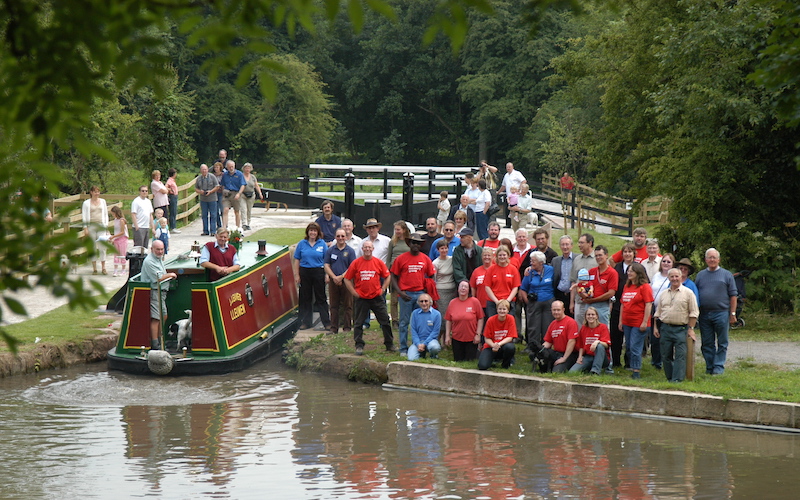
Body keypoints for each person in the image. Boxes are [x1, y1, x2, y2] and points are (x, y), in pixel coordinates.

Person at [344, 240, 395, 355]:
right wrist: (353, 292)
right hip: (361, 297)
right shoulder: (356, 263)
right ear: (362, 249)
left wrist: (383, 289)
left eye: (369, 247)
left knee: (385, 321)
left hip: (376, 297)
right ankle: (359, 345)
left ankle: (389, 344)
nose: (367, 249)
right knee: (358, 323)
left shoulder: (378, 262)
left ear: (373, 249)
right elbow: (347, 278)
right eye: (365, 247)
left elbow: (387, 276)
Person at [695, 248, 737, 375]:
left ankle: (718, 367)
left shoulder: (726, 274)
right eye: (709, 257)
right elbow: (695, 294)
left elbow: (733, 295)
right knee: (707, 343)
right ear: (705, 260)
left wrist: (733, 313)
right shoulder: (700, 275)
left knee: (722, 342)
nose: (712, 260)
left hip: (721, 312)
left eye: (714, 257)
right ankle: (710, 366)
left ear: (719, 259)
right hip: (704, 313)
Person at [391, 233, 435, 355]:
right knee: (404, 323)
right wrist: (399, 291)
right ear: (409, 244)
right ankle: (403, 348)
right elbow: (393, 275)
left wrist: (427, 292)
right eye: (413, 242)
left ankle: (420, 347)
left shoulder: (425, 259)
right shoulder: (401, 258)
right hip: (405, 295)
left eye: (418, 243)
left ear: (421, 245)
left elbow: (431, 275)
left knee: (421, 323)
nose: (415, 245)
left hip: (420, 294)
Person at [653, 268, 699, 382]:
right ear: (668, 278)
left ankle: (677, 379)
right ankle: (670, 377)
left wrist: (691, 329)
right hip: (665, 328)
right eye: (672, 277)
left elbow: (694, 312)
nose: (674, 279)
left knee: (680, 355)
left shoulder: (688, 293)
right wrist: (655, 327)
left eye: (676, 276)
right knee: (665, 355)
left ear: (681, 277)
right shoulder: (663, 294)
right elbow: (658, 313)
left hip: (681, 328)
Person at [140, 239, 177, 350]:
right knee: (156, 318)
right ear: (152, 249)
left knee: (164, 316)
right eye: (158, 249)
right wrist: (171, 274)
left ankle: (161, 339)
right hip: (155, 292)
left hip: (161, 293)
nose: (160, 252)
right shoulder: (149, 261)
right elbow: (159, 277)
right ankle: (156, 344)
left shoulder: (158, 259)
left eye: (162, 249)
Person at [293, 222, 331, 331]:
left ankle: (326, 322)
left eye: (315, 231)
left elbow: (327, 261)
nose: (312, 233)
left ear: (318, 232)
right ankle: (306, 322)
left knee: (321, 298)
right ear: (308, 232)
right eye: (311, 230)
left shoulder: (322, 244)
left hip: (318, 271)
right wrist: (297, 275)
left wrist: (327, 274)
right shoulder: (302, 244)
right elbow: (297, 260)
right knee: (306, 298)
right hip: (305, 271)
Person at [619, 263, 654, 379]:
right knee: (628, 346)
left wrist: (645, 322)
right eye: (628, 271)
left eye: (631, 271)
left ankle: (636, 371)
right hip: (627, 322)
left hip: (639, 322)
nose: (628, 273)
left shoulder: (645, 287)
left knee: (635, 347)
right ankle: (631, 366)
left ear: (638, 273)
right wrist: (620, 321)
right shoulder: (627, 286)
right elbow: (623, 305)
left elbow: (648, 304)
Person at [519, 251, 555, 346]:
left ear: (541, 262)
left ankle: (545, 348)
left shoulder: (550, 270)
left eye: (533, 261)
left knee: (547, 326)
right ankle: (533, 349)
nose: (531, 262)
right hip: (534, 302)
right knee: (533, 327)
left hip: (548, 301)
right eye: (531, 260)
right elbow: (523, 289)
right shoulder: (529, 272)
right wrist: (528, 302)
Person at [324, 228, 356, 335]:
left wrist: (341, 277)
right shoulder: (330, 250)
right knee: (333, 305)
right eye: (338, 236)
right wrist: (334, 277)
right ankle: (334, 328)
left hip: (347, 281)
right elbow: (326, 265)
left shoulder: (350, 251)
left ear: (346, 237)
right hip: (333, 281)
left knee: (348, 305)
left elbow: (352, 267)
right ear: (335, 237)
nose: (340, 238)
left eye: (342, 236)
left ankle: (347, 327)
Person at [648, 253, 676, 370]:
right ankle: (656, 361)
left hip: (667, 309)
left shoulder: (674, 277)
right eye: (664, 261)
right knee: (654, 337)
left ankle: (667, 361)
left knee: (666, 338)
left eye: (668, 262)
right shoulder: (656, 276)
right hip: (655, 308)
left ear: (673, 264)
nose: (666, 263)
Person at [579, 245, 618, 328]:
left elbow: (611, 293)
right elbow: (582, 285)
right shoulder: (591, 271)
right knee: (588, 330)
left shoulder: (612, 273)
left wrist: (594, 300)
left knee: (602, 330)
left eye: (600, 255)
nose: (598, 258)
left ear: (606, 255)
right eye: (596, 256)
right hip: (588, 305)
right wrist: (582, 294)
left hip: (602, 306)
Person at [445, 280, 484, 362]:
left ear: (469, 289)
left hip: (471, 338)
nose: (463, 288)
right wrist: (447, 335)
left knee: (470, 361)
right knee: (458, 361)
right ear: (458, 289)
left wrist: (478, 334)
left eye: (465, 287)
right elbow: (448, 320)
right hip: (457, 338)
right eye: (461, 286)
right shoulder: (452, 302)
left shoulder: (475, 301)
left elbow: (480, 318)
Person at [612, 243, 636, 368]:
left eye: (630, 251)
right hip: (617, 306)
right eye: (625, 252)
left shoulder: (638, 267)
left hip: (632, 306)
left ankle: (629, 362)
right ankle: (616, 361)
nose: (627, 254)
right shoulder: (617, 267)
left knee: (630, 338)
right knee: (616, 336)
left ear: (633, 253)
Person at [537, 300, 579, 373]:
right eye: (554, 310)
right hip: (557, 352)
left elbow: (572, 341)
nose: (556, 312)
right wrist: (539, 349)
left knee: (556, 372)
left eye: (558, 310)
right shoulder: (552, 324)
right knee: (542, 354)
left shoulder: (570, 322)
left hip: (570, 354)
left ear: (563, 310)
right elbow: (548, 342)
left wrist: (564, 358)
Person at [569, 306, 611, 375]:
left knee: (600, 346)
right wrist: (580, 357)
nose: (590, 316)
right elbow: (581, 345)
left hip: (602, 357)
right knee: (572, 372)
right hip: (588, 356)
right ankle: (589, 368)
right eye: (588, 315)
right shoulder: (583, 328)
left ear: (597, 316)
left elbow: (606, 344)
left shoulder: (603, 327)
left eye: (593, 314)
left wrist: (597, 342)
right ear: (585, 317)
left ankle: (595, 371)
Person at [477, 299, 517, 370]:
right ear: (496, 310)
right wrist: (493, 345)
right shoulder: (491, 320)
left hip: (503, 345)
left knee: (510, 347)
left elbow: (510, 337)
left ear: (508, 310)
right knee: (482, 366)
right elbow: (486, 338)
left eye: (504, 309)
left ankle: (505, 364)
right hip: (490, 346)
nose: (502, 311)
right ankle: (491, 360)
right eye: (500, 309)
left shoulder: (511, 318)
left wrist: (499, 344)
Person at [484, 245, 520, 318]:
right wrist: (497, 302)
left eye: (504, 255)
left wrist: (507, 301)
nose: (502, 257)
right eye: (500, 255)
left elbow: (515, 287)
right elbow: (487, 287)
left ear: (508, 256)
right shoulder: (491, 269)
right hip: (493, 303)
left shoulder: (513, 269)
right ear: (496, 256)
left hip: (509, 302)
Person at [387, 220, 412, 329]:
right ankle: (395, 320)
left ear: (404, 230)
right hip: (394, 272)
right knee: (394, 298)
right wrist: (388, 272)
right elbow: (388, 258)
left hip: (405, 272)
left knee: (404, 296)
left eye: (398, 229)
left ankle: (405, 319)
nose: (396, 231)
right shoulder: (393, 242)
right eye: (395, 229)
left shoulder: (409, 241)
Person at [570, 233, 597, 325]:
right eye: (579, 242)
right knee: (579, 328)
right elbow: (573, 281)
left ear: (589, 243)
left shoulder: (597, 258)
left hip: (594, 301)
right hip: (579, 301)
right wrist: (572, 302)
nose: (579, 245)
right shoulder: (577, 259)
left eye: (582, 242)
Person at [81, 185, 109, 275]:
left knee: (102, 246)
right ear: (91, 192)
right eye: (95, 192)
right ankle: (94, 268)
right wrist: (85, 228)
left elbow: (105, 214)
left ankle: (103, 267)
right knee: (92, 246)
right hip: (91, 226)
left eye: (98, 192)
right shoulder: (86, 203)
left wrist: (106, 226)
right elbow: (84, 216)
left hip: (101, 225)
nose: (97, 193)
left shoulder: (103, 201)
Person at [408, 293, 442, 361]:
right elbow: (413, 331)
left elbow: (435, 332)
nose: (424, 303)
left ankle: (433, 356)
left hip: (431, 341)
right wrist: (418, 344)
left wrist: (424, 344)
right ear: (418, 303)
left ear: (430, 302)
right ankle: (421, 354)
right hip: (418, 341)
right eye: (421, 301)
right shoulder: (415, 313)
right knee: (411, 359)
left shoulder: (436, 314)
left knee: (434, 347)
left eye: (426, 301)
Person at [433, 239, 456, 321]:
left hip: (453, 290)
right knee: (444, 314)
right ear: (438, 250)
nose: (444, 250)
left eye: (446, 248)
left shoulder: (452, 259)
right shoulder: (435, 263)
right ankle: (443, 332)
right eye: (442, 248)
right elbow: (434, 279)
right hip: (441, 291)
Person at [497, 162, 526, 228]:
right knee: (507, 209)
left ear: (512, 167)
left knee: (516, 209)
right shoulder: (506, 175)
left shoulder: (517, 173)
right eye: (507, 167)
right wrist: (498, 192)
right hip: (509, 195)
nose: (508, 168)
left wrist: (520, 189)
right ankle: (508, 224)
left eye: (509, 167)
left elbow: (523, 181)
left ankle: (517, 223)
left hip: (516, 196)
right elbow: (503, 185)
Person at [220, 160, 246, 229]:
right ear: (227, 167)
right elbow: (222, 184)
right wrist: (223, 191)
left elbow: (243, 185)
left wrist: (239, 194)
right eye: (229, 167)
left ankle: (237, 228)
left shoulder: (239, 174)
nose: (231, 168)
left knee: (236, 211)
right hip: (227, 194)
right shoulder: (225, 175)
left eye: (232, 167)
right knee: (225, 210)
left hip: (236, 193)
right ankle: (224, 227)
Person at [195, 163, 220, 236]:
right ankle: (205, 230)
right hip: (203, 199)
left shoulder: (212, 177)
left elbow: (217, 186)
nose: (204, 171)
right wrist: (200, 192)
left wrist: (211, 191)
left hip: (212, 199)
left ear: (207, 170)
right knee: (204, 215)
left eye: (205, 169)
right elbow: (196, 188)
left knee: (213, 215)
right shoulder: (199, 178)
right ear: (200, 170)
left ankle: (213, 231)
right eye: (202, 170)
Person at [470, 247, 495, 317]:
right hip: (480, 304)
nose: (487, 257)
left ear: (493, 257)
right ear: (481, 257)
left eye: (489, 255)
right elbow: (473, 287)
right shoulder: (476, 271)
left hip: (493, 304)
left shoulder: (496, 269)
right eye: (485, 255)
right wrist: (474, 300)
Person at [552, 235, 575, 307]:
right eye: (563, 245)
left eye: (567, 244)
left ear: (571, 246)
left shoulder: (577, 259)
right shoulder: (555, 260)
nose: (565, 247)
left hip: (573, 295)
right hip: (559, 294)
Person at [241, 162, 263, 231]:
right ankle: (244, 224)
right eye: (246, 168)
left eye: (248, 168)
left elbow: (256, 185)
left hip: (251, 195)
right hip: (243, 194)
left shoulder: (253, 177)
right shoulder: (241, 176)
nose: (247, 169)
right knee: (243, 209)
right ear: (243, 169)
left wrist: (260, 193)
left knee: (249, 210)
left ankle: (248, 223)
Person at [108, 206, 129, 277]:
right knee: (116, 254)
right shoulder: (115, 220)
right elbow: (116, 230)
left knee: (122, 254)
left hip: (122, 238)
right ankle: (115, 270)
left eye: (113, 214)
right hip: (117, 238)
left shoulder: (122, 220)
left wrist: (114, 236)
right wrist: (114, 238)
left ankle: (123, 270)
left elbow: (122, 232)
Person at [165, 168, 180, 233]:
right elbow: (166, 187)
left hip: (175, 196)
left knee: (174, 211)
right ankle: (172, 227)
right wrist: (170, 190)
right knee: (172, 211)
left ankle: (174, 226)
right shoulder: (170, 180)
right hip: (172, 196)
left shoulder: (172, 180)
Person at [212, 161, 225, 229]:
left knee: (222, 209)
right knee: (215, 210)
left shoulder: (223, 175)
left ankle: (224, 224)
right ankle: (219, 225)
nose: (216, 168)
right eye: (215, 167)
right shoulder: (212, 175)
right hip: (214, 194)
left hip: (221, 193)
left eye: (217, 167)